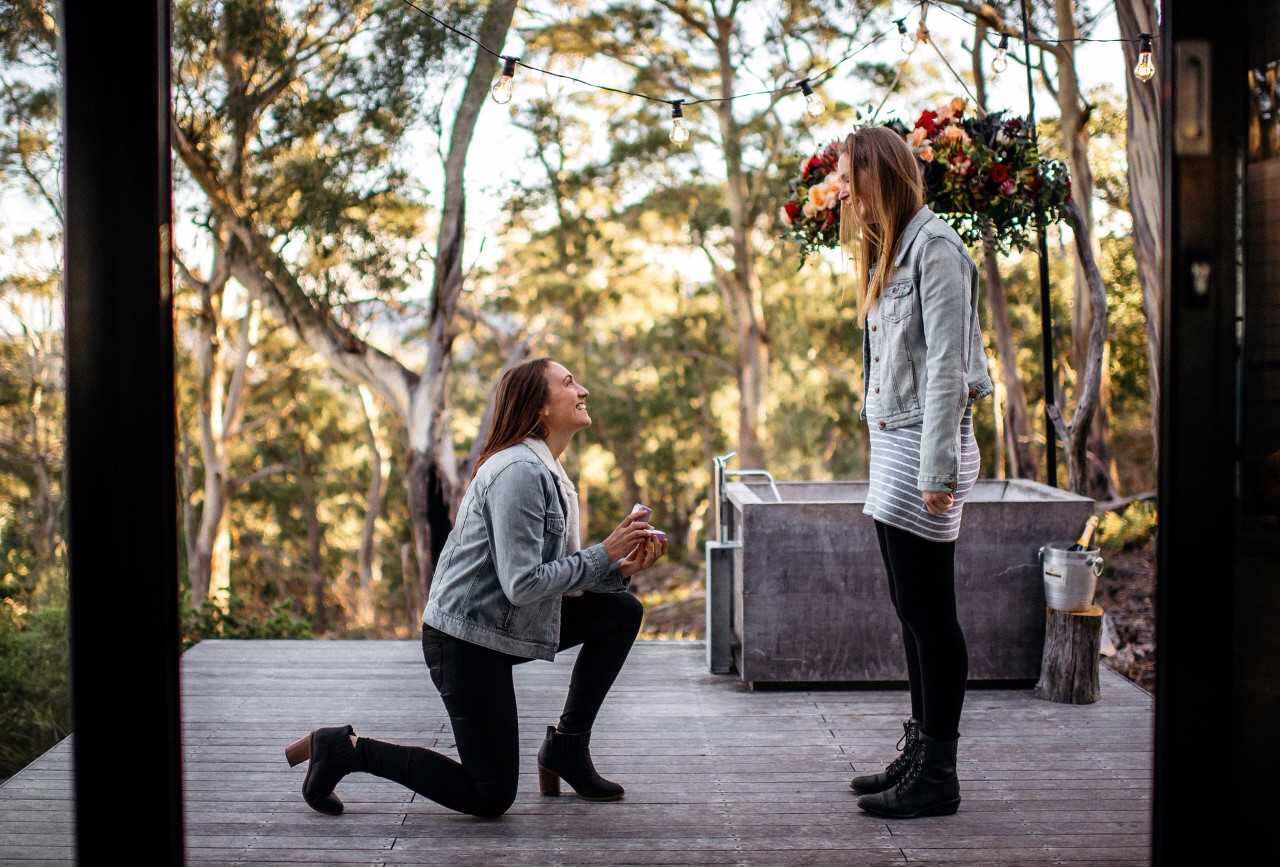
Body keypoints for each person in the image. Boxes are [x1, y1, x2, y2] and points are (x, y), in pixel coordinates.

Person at [284, 357, 666, 818]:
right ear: (541, 406)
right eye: (569, 383)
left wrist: (619, 568)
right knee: (489, 795)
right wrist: (603, 552)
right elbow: (524, 584)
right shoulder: (519, 472)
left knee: (620, 608)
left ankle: (567, 747)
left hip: (504, 625)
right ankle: (345, 749)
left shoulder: (551, 473)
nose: (582, 390)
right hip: (464, 641)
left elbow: (553, 578)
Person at [833, 126, 993, 819]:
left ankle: (939, 773)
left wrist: (938, 470)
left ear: (879, 174)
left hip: (928, 448)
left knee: (931, 613)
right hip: (893, 443)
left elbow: (947, 370)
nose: (843, 190)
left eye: (850, 176)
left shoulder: (939, 249)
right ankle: (922, 747)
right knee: (911, 609)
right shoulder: (891, 251)